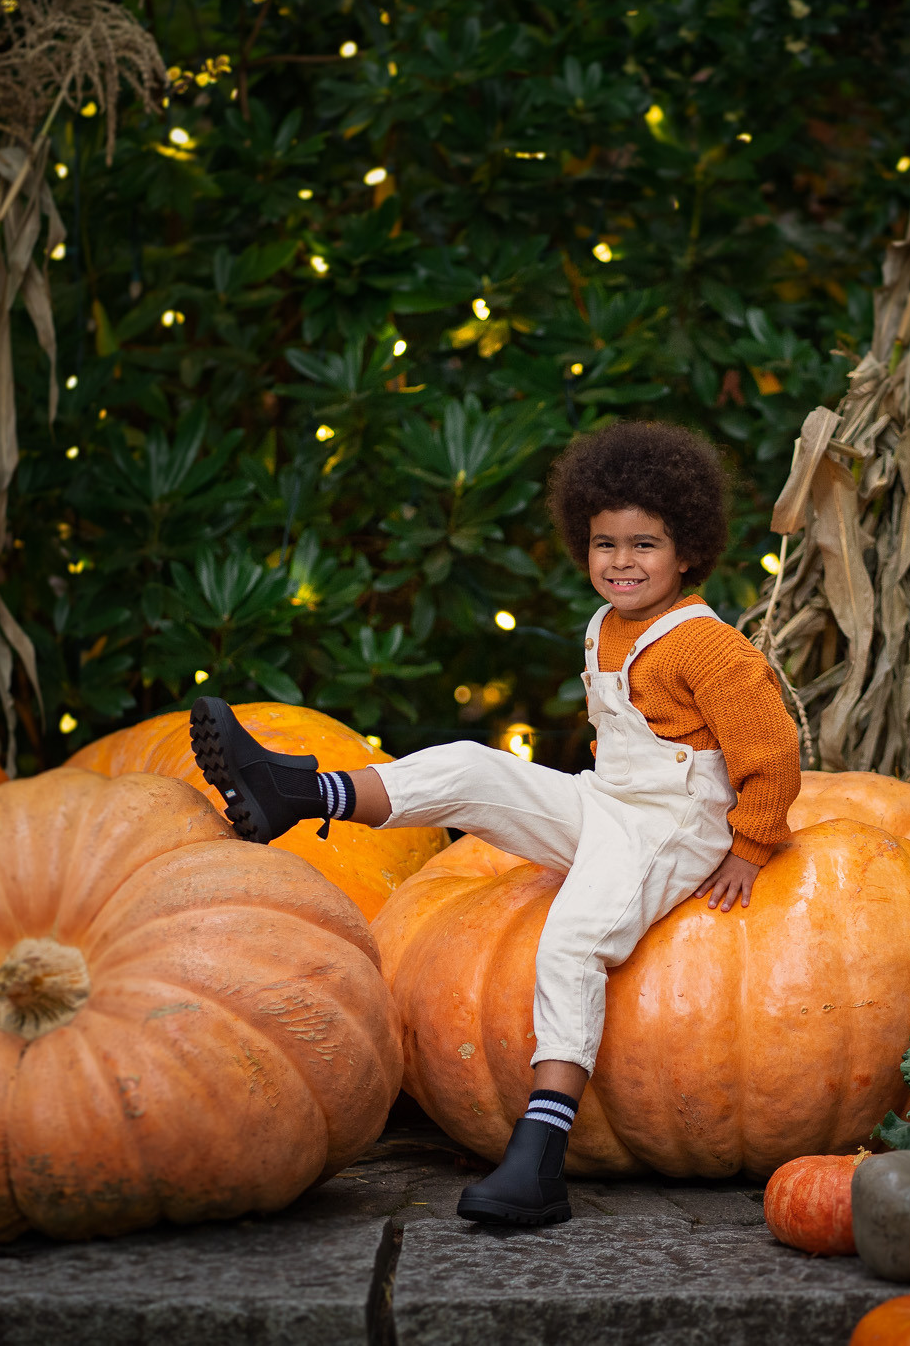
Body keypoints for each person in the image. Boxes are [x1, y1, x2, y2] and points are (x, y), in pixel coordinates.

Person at [188, 420, 801, 1225]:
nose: (620, 561)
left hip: (677, 830)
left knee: (573, 939)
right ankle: (297, 793)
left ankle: (540, 1156)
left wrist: (750, 845)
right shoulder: (608, 626)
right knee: (473, 768)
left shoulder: (710, 648)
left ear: (688, 550)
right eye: (603, 543)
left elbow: (773, 746)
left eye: (643, 544)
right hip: (611, 804)